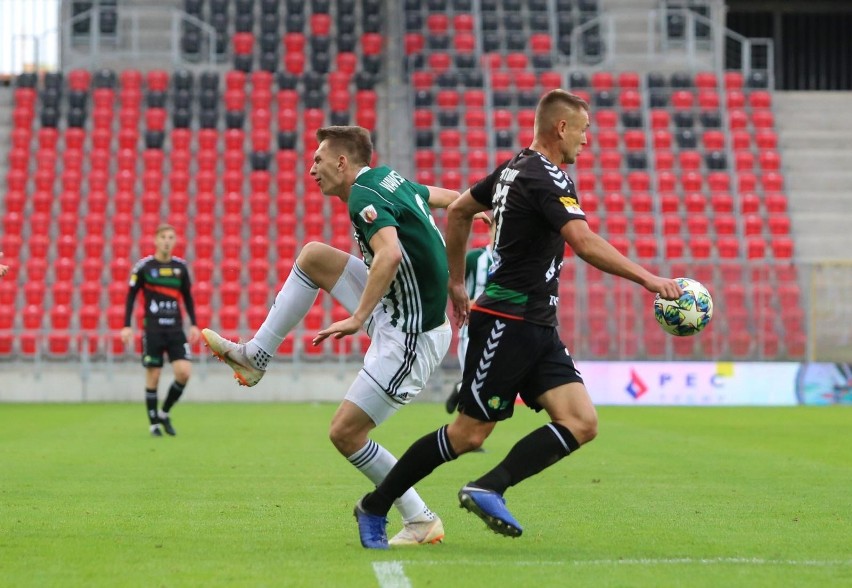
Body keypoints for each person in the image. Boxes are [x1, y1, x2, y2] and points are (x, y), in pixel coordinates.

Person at [352, 89, 683, 549]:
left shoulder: (513, 169)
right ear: (561, 128)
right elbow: (584, 243)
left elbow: (464, 209)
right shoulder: (546, 177)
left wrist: (456, 283)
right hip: (506, 320)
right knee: (467, 434)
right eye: (584, 131)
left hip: (537, 323)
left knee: (582, 421)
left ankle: (489, 487)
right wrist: (649, 279)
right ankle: (375, 505)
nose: (587, 142)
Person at [201, 125, 481, 546]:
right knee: (314, 256)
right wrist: (473, 206)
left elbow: (390, 253)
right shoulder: (387, 178)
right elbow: (437, 198)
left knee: (345, 434)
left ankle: (420, 519)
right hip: (394, 309)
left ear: (342, 162)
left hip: (409, 338)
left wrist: (357, 318)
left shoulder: (366, 196)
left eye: (318, 159)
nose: (312, 168)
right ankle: (255, 356)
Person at [120, 224, 200, 437]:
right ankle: (153, 424)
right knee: (153, 375)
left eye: (171, 237)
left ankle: (163, 413)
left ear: (175, 241)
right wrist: (127, 325)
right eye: (163, 237)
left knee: (184, 373)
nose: (167, 241)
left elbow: (188, 298)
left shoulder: (180, 268)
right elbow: (131, 296)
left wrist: (194, 323)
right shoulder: (144, 267)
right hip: (153, 330)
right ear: (156, 240)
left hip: (175, 330)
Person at [444, 223, 495, 414]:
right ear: (491, 229)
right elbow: (452, 282)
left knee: (489, 380)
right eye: (499, 227)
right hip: (472, 330)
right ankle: (465, 438)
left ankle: (460, 388)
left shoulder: (513, 262)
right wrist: (463, 303)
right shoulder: (475, 258)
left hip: (500, 329)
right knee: (476, 384)